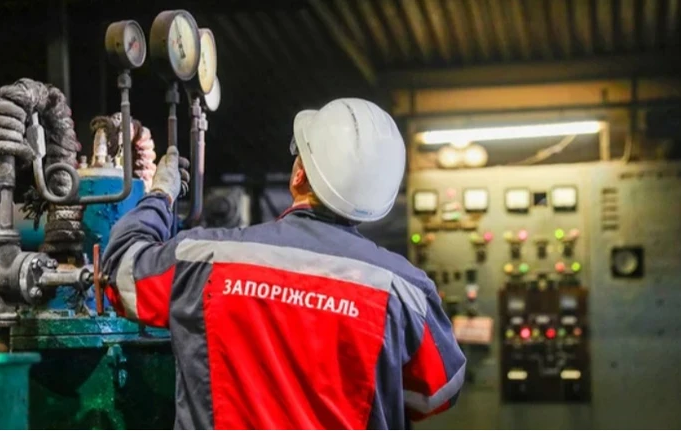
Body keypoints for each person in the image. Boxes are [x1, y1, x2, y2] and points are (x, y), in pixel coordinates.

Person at [102, 98, 466, 430]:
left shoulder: (206, 260)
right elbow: (438, 393)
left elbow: (120, 272)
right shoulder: (404, 292)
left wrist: (160, 197)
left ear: (299, 175)